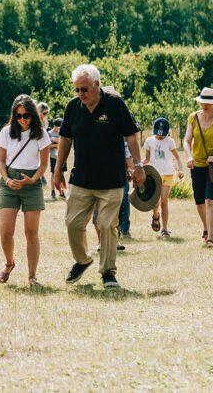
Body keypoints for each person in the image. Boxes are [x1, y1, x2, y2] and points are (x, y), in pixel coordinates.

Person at [53, 64, 145, 289]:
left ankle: (108, 273)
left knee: (106, 225)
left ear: (97, 85)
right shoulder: (73, 107)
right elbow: (65, 139)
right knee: (72, 223)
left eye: (84, 89)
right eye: (76, 90)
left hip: (111, 181)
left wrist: (139, 164)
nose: (80, 94)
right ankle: (83, 260)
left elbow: (131, 135)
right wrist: (58, 170)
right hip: (81, 179)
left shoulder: (115, 104)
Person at [0, 95, 51, 287]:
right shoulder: (6, 132)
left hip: (31, 183)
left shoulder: (41, 134)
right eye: (18, 116)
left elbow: (44, 164)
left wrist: (33, 179)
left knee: (31, 232)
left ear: (33, 115)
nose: (22, 119)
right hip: (9, 182)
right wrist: (7, 179)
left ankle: (32, 276)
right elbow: (1, 162)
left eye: (26, 115)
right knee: (5, 232)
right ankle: (9, 264)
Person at [183, 87, 213, 248]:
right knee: (199, 202)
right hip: (196, 164)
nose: (205, 105)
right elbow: (186, 140)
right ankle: (205, 227)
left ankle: (210, 237)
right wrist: (189, 156)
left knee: (210, 199)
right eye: (203, 102)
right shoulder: (193, 117)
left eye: (208, 103)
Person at [144, 117, 185, 238]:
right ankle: (156, 215)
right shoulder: (149, 141)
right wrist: (138, 166)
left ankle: (165, 229)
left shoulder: (170, 142)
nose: (160, 136)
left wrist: (181, 170)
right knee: (154, 203)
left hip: (167, 173)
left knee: (163, 201)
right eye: (158, 134)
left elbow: (177, 157)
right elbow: (146, 159)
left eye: (163, 134)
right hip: (154, 175)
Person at [48, 118, 66, 200]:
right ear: (55, 126)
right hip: (53, 157)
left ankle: (62, 192)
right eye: (59, 127)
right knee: (53, 174)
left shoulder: (63, 132)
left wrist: (57, 141)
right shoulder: (50, 133)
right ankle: (53, 192)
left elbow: (66, 143)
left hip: (62, 156)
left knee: (62, 174)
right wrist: (57, 144)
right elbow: (48, 147)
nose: (60, 128)